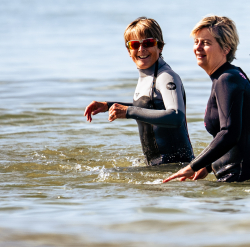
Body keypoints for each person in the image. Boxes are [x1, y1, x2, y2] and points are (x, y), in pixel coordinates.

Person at [163, 15, 250, 184]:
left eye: (206, 43)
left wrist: (192, 166)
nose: (198, 48)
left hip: (241, 177)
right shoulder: (232, 75)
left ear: (226, 49)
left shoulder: (226, 79)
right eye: (196, 42)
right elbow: (240, 131)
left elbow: (230, 133)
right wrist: (207, 166)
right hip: (249, 173)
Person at [83, 17, 193, 166]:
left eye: (148, 43)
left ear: (160, 46)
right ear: (129, 51)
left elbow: (176, 116)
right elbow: (151, 107)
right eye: (135, 44)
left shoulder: (166, 76)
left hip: (178, 167)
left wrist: (129, 111)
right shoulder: (147, 76)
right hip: (159, 167)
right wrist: (109, 105)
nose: (141, 49)